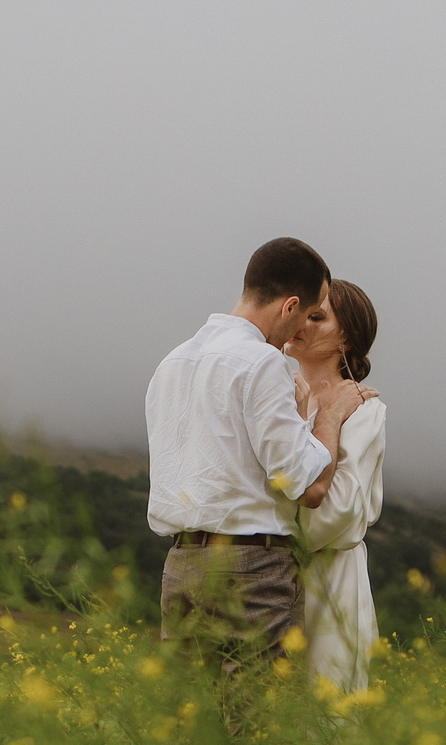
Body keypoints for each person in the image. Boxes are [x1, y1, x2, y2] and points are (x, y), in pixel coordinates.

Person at [145, 237, 368, 689]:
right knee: (257, 724)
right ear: (289, 306)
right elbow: (311, 488)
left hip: (179, 567)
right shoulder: (262, 362)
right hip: (251, 569)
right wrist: (329, 415)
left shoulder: (171, 363)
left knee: (191, 724)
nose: (302, 330)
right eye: (307, 315)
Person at [282, 280, 385, 692]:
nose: (300, 322)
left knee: (324, 723)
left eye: (318, 316)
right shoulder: (275, 395)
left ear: (347, 337)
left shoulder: (365, 412)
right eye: (301, 311)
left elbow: (336, 511)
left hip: (332, 586)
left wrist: (269, 526)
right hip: (271, 581)